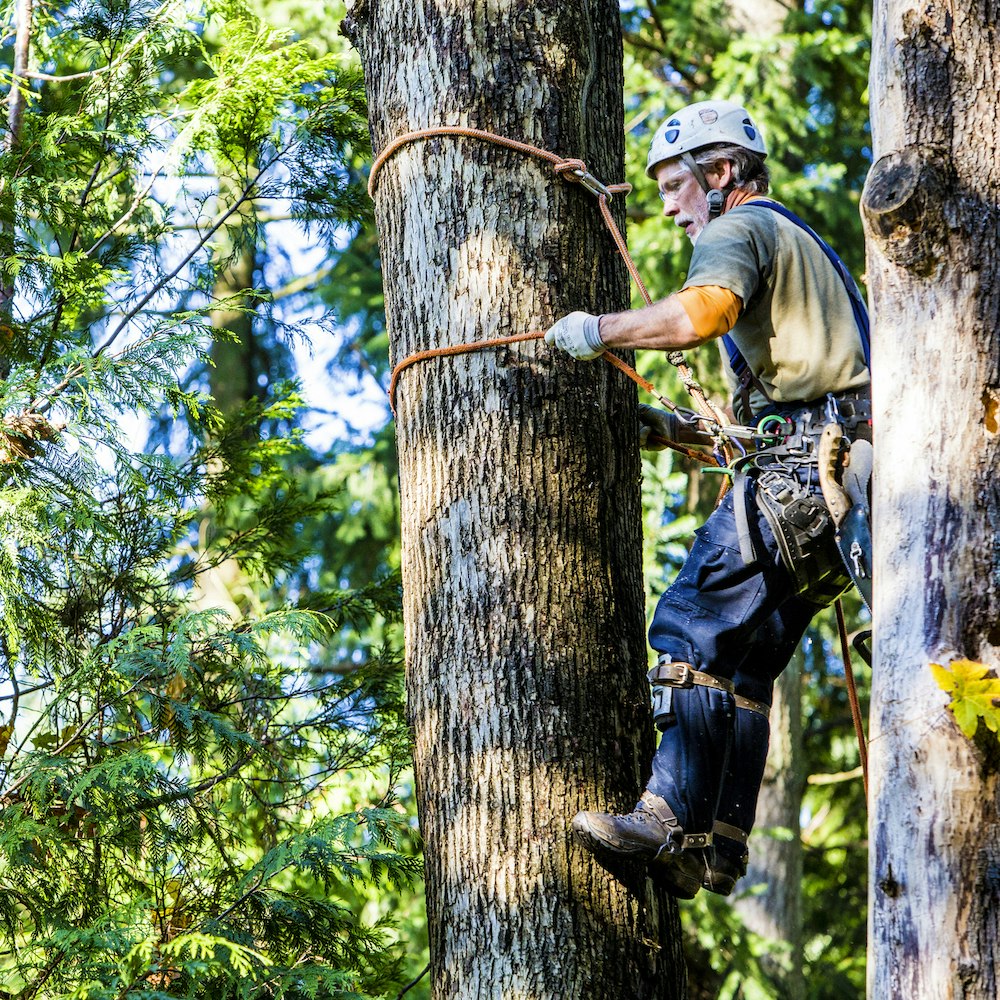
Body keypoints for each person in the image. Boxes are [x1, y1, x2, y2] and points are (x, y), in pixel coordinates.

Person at [544, 99, 872, 898]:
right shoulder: (802, 246)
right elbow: (793, 400)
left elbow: (702, 312)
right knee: (745, 662)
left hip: (803, 476)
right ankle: (715, 846)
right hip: (845, 489)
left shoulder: (741, 229)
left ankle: (665, 820)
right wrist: (678, 430)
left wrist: (599, 330)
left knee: (692, 629)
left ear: (720, 173)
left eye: (675, 185)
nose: (666, 206)